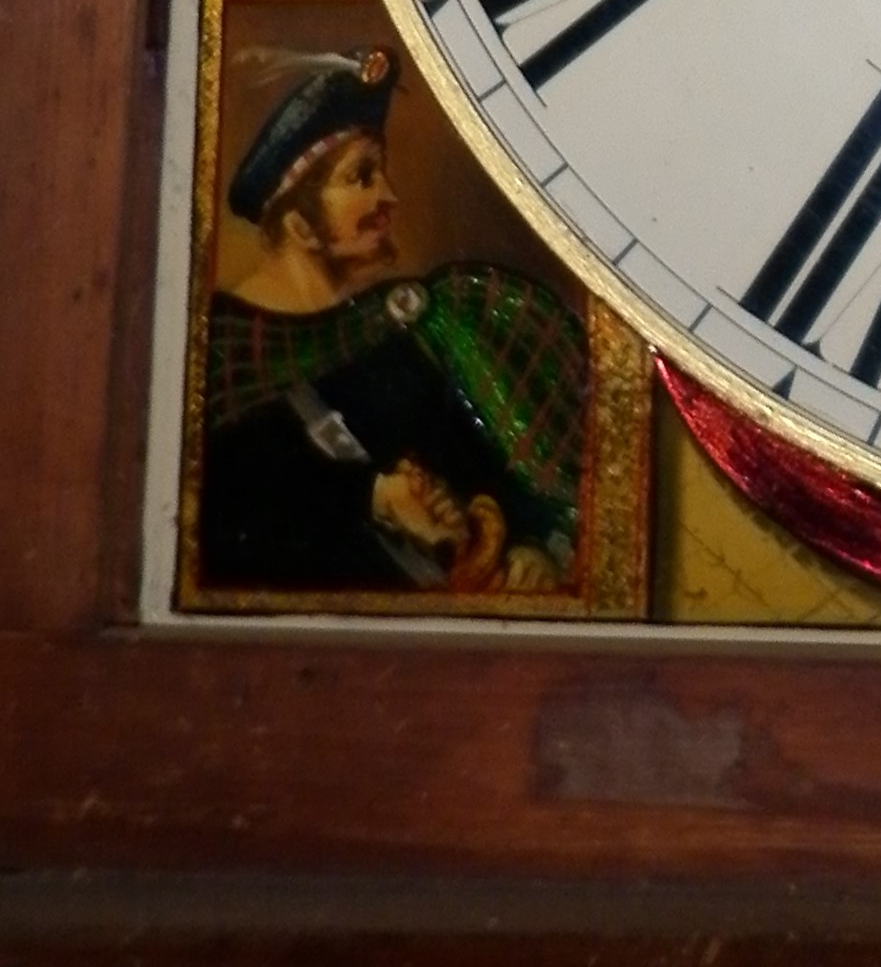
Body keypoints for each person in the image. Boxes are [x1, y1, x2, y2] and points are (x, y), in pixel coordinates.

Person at [196, 44, 590, 597]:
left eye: (380, 171)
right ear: (301, 227)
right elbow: (234, 529)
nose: (390, 196)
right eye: (361, 177)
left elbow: (489, 473)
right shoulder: (219, 356)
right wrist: (374, 497)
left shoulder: (394, 331)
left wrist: (529, 548)